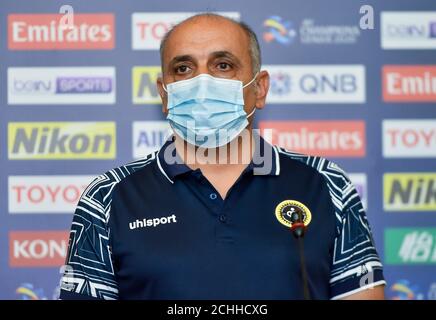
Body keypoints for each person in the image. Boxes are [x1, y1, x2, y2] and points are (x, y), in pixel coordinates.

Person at [59, 13, 385, 300]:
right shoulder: (108, 196)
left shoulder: (326, 184)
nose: (203, 83)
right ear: (164, 94)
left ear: (260, 88)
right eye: (183, 68)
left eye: (223, 65)